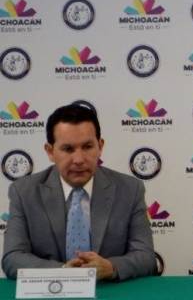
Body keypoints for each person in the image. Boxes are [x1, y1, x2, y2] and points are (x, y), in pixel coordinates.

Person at [2, 103, 156, 281]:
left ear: (100, 146)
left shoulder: (130, 189)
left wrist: (111, 267)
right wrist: (63, 272)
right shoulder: (24, 192)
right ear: (50, 151)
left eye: (88, 147)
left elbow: (146, 257)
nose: (79, 159)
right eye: (68, 149)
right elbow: (12, 258)